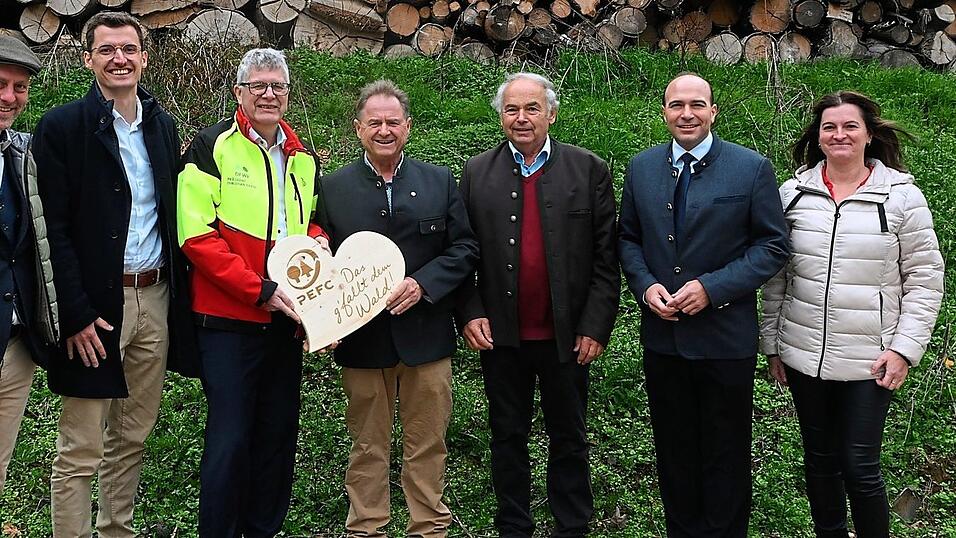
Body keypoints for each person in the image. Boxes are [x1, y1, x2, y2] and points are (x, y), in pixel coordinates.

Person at [31, 11, 197, 538]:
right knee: (81, 444)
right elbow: (51, 229)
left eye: (128, 49)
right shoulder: (61, 129)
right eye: (107, 50)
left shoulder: (161, 124)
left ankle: (116, 530)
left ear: (145, 57)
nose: (119, 59)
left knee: (134, 437)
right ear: (89, 59)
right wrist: (74, 314)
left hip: (155, 298)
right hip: (96, 308)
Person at [760, 91, 944, 538]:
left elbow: (925, 278)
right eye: (829, 127)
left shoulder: (902, 198)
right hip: (804, 355)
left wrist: (904, 349)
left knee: (860, 466)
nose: (839, 134)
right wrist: (773, 345)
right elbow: (777, 275)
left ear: (868, 134)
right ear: (818, 137)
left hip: (870, 359)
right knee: (820, 461)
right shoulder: (792, 195)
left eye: (849, 126)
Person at [618, 72, 790, 537]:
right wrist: (645, 284)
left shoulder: (750, 168)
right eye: (677, 105)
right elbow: (628, 239)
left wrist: (712, 289)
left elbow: (772, 247)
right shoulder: (642, 168)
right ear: (664, 112)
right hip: (664, 340)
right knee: (674, 455)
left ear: (714, 111)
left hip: (724, 341)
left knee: (726, 455)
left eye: (697, 104)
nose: (687, 113)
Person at [456, 72, 619, 538]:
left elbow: (607, 258)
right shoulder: (475, 173)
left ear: (551, 113)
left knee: (569, 437)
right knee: (508, 437)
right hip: (502, 337)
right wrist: (469, 311)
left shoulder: (587, 170)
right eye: (511, 109)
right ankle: (514, 525)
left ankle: (572, 526)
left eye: (531, 109)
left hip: (567, 338)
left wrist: (595, 324)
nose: (521, 118)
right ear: (501, 116)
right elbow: (460, 253)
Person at [178, 47, 328, 536]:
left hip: (286, 321)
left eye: (278, 86)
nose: (269, 94)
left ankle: (263, 530)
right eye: (258, 85)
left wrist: (318, 259)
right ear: (239, 93)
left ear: (288, 94)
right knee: (230, 438)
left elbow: (309, 227)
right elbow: (194, 236)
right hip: (228, 321)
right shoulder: (211, 145)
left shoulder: (303, 156)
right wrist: (257, 289)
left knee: (277, 437)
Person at [318, 79, 478, 538]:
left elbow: (465, 247)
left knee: (427, 442)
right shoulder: (332, 188)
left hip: (426, 338)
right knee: (367, 444)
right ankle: (366, 527)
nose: (384, 130)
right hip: (362, 339)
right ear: (357, 129)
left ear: (408, 127)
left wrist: (424, 283)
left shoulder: (438, 180)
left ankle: (428, 527)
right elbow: (319, 261)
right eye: (375, 122)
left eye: (393, 121)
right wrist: (323, 320)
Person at [0, 36, 58, 494]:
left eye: (19, 88)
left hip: (17, 346)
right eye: (0, 84)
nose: (9, 98)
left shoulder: (22, 154)